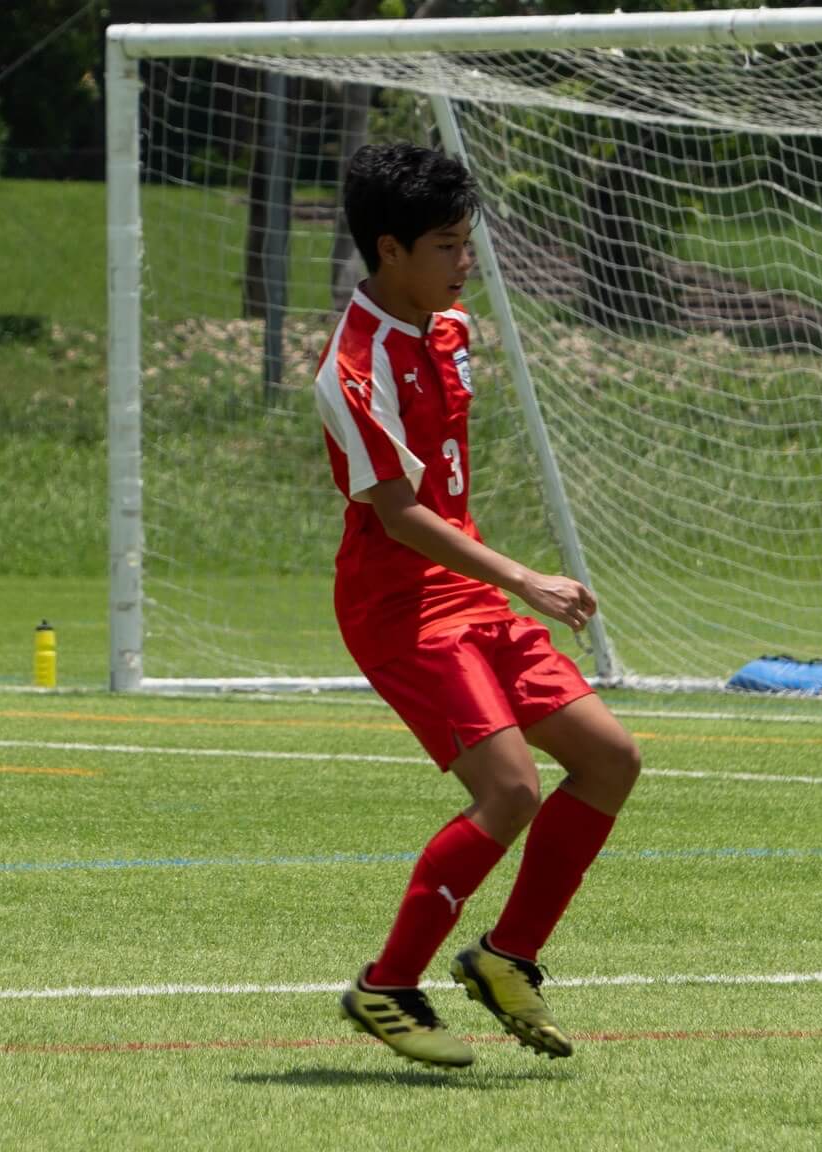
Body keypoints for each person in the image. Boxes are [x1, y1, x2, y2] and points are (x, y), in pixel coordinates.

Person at [317, 142, 642, 1069]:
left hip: (466, 590)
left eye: (469, 242)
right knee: (510, 789)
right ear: (390, 249)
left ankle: (506, 957)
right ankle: (387, 986)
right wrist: (525, 578)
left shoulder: (450, 329)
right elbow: (399, 515)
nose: (467, 263)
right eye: (448, 246)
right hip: (399, 603)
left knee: (610, 759)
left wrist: (500, 581)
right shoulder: (352, 368)